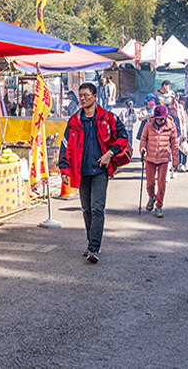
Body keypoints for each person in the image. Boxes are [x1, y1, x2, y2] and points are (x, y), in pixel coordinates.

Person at [57, 82, 129, 264]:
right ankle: (91, 245)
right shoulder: (74, 122)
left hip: (100, 171)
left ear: (95, 96)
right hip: (81, 172)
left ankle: (94, 248)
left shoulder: (108, 118)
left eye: (86, 95)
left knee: (97, 208)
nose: (83, 98)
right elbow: (64, 148)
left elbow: (123, 136)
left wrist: (110, 153)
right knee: (86, 209)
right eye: (80, 95)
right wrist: (64, 169)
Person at [140, 105, 180, 218]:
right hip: (150, 157)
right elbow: (143, 139)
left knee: (162, 183)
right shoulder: (148, 125)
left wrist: (175, 162)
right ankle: (152, 197)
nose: (160, 121)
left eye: (162, 118)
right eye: (158, 118)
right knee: (150, 183)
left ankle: (159, 206)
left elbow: (175, 145)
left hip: (164, 158)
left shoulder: (171, 125)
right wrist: (142, 149)